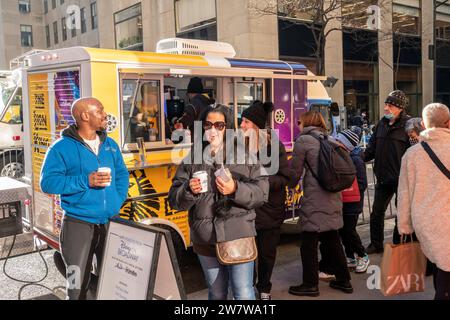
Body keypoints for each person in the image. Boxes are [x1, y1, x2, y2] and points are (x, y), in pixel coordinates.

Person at [168, 105, 268, 300]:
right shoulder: (192, 158)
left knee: (243, 292)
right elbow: (174, 200)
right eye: (208, 125)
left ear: (228, 128)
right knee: (216, 292)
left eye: (219, 125)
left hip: (237, 235)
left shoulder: (245, 156)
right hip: (205, 238)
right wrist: (189, 190)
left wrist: (235, 189)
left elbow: (262, 193)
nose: (212, 130)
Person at [40, 98, 130, 300]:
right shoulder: (61, 148)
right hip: (77, 224)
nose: (105, 114)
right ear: (85, 116)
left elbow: (122, 174)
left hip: (111, 222)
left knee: (113, 279)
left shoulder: (110, 144)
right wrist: (85, 180)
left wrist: (118, 198)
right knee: (75, 282)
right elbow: (48, 183)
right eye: (99, 110)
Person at [288, 111, 353, 297]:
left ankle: (310, 284)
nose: (297, 125)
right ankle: (344, 280)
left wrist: (289, 185)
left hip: (315, 198)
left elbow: (295, 171)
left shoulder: (303, 141)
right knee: (332, 239)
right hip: (333, 195)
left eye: (299, 121)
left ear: (306, 122)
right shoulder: (330, 139)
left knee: (308, 243)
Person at [397, 103, 450, 300]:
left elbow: (404, 194)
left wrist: (404, 226)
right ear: (449, 123)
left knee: (439, 264)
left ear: (423, 124)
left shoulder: (412, 154)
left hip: (426, 222)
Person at [240, 101, 292, 301]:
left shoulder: (273, 145)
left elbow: (285, 177)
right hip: (246, 208)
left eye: (245, 122)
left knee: (266, 254)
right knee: (246, 254)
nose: (242, 126)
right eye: (242, 121)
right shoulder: (238, 145)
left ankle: (264, 288)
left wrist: (261, 181)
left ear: (256, 125)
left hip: (270, 209)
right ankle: (246, 288)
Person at [363, 90, 411, 254]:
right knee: (376, 213)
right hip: (383, 178)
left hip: (402, 179)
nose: (385, 108)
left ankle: (398, 245)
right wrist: (353, 158)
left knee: (401, 213)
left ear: (399, 108)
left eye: (389, 105)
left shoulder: (409, 126)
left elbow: (415, 153)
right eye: (386, 104)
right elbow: (370, 150)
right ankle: (376, 244)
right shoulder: (381, 125)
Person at [336, 129, 369, 273]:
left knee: (349, 230)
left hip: (353, 203)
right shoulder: (346, 156)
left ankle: (362, 255)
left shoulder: (355, 159)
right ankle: (350, 256)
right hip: (344, 201)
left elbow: (362, 182)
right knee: (343, 231)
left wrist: (346, 185)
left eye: (339, 141)